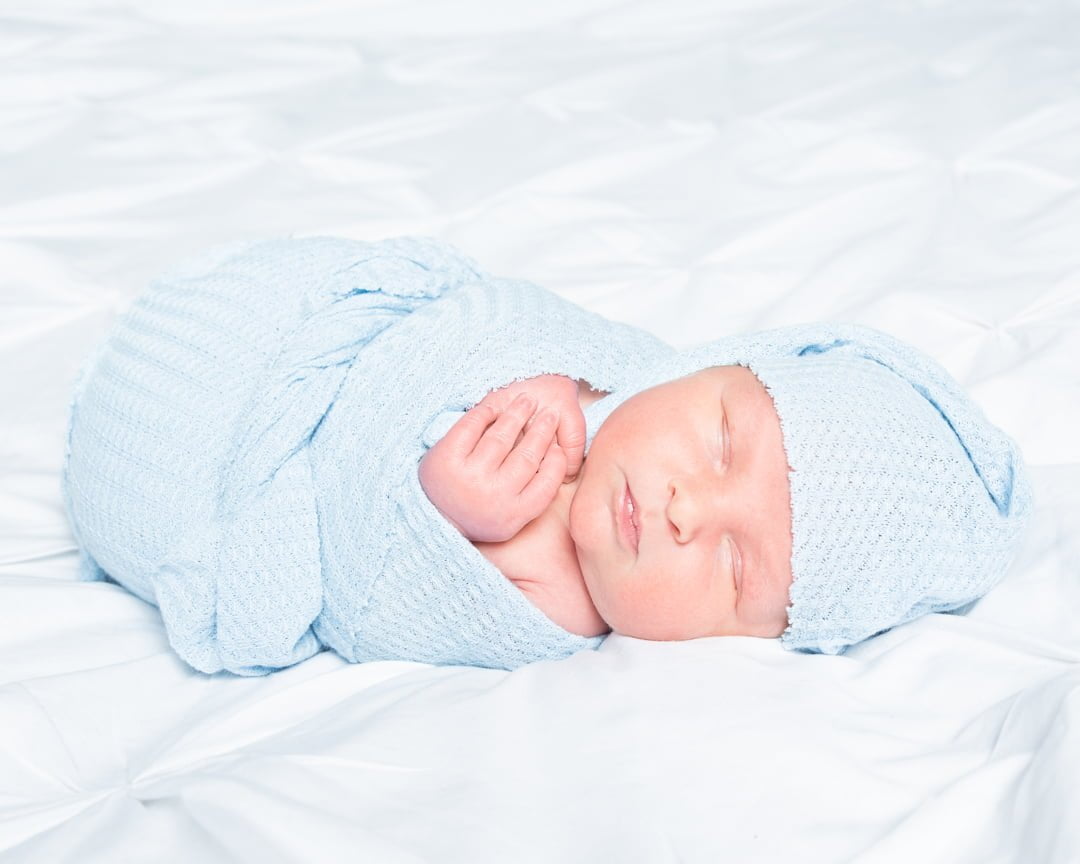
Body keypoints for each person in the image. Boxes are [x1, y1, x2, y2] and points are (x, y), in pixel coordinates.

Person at [62, 235, 1032, 674]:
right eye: (721, 440)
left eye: (737, 568)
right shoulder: (627, 374)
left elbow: (370, 591)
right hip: (294, 331)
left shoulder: (560, 601)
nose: (691, 511)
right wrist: (543, 377)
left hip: (248, 451)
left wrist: (442, 508)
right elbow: (490, 313)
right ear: (710, 370)